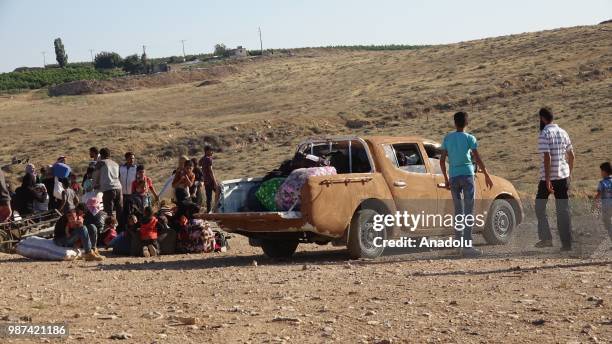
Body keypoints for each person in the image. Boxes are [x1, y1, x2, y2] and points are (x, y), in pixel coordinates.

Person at [440, 111, 493, 258]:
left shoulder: (448, 138)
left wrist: (446, 178)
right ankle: (467, 246)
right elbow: (477, 158)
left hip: (454, 176)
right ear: (467, 123)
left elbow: (442, 160)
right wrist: (487, 175)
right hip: (468, 175)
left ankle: (458, 246)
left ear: (454, 123)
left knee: (458, 211)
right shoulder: (470, 138)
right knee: (469, 211)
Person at [534, 108, 575, 251]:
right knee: (563, 210)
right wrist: (569, 173)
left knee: (539, 207)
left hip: (549, 177)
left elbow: (547, 157)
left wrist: (547, 179)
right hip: (563, 176)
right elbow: (572, 156)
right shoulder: (563, 132)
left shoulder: (544, 133)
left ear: (542, 118)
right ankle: (567, 244)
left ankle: (546, 238)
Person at [93, 148, 123, 227]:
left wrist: (95, 185)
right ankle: (120, 228)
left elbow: (95, 176)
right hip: (119, 188)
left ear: (101, 155)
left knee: (108, 212)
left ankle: (110, 230)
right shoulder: (115, 163)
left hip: (108, 189)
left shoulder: (101, 163)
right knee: (119, 210)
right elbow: (119, 176)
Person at [594, 162, 612, 245]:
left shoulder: (602, 183)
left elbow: (598, 195)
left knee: (607, 222)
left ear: (604, 172)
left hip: (606, 205)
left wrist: (595, 205)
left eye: (601, 171)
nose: (601, 173)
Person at [199, 146, 218, 213]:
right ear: (207, 151)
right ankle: (218, 208)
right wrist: (215, 181)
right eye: (211, 150)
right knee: (219, 193)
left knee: (209, 197)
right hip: (210, 180)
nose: (212, 152)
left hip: (206, 181)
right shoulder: (208, 159)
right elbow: (211, 171)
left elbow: (199, 165)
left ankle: (209, 211)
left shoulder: (202, 159)